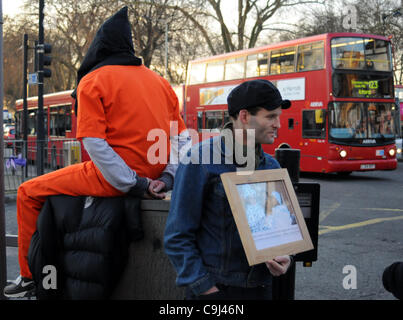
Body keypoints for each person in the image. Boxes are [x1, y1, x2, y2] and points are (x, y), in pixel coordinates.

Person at [4, 7, 189, 298]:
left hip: (113, 178)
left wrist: (134, 183)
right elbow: (181, 140)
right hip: (157, 174)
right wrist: (165, 178)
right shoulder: (161, 82)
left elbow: (95, 144)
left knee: (28, 191)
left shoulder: (94, 80)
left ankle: (29, 278)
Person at [164, 79, 293, 300]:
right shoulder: (200, 160)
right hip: (216, 289)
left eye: (278, 116)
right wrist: (206, 290)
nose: (278, 124)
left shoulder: (272, 165)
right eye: (271, 116)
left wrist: (285, 256)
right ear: (244, 117)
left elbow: (279, 228)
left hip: (260, 288)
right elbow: (177, 236)